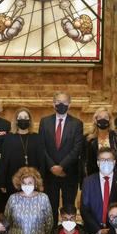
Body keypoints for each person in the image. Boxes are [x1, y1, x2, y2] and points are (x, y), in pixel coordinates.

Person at [38, 91, 84, 224]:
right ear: (53, 104)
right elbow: (42, 147)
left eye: (64, 102)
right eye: (58, 102)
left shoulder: (77, 124)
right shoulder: (44, 122)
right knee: (49, 208)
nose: (61, 105)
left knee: (69, 209)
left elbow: (77, 148)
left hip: (69, 173)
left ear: (69, 105)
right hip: (49, 173)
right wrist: (52, 166)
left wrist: (61, 166)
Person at [4, 166, 54, 234]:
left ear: (36, 183)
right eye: (24, 183)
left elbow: (49, 222)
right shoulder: (13, 198)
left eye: (30, 182)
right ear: (19, 183)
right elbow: (7, 221)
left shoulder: (43, 198)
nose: (27, 186)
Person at [80, 147, 117, 234]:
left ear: (114, 162)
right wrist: (98, 230)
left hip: (116, 232)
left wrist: (113, 229)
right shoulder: (88, 182)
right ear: (98, 163)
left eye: (109, 160)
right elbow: (84, 209)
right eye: (103, 160)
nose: (106, 162)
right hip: (93, 232)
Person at [0, 107, 45, 197]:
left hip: (33, 182)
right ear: (16, 120)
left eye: (25, 118)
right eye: (20, 118)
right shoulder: (9, 138)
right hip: (12, 181)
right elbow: (4, 161)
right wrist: (2, 182)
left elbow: (42, 162)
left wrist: (42, 181)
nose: (23, 120)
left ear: (30, 120)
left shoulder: (37, 138)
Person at [83, 107, 117, 179]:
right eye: (100, 117)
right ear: (95, 120)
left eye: (105, 117)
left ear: (109, 120)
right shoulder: (88, 138)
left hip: (114, 178)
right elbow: (84, 163)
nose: (102, 119)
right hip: (94, 178)